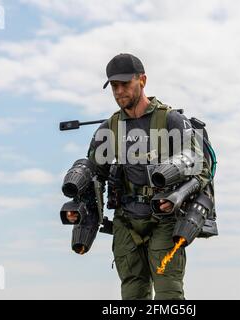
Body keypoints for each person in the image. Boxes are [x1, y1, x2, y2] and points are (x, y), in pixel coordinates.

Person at [86, 53, 211, 300]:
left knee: (168, 294)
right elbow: (93, 173)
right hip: (126, 221)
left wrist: (177, 196)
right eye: (114, 86)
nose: (119, 91)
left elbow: (201, 166)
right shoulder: (110, 128)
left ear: (142, 80)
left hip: (164, 218)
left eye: (125, 84)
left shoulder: (170, 120)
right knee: (132, 294)